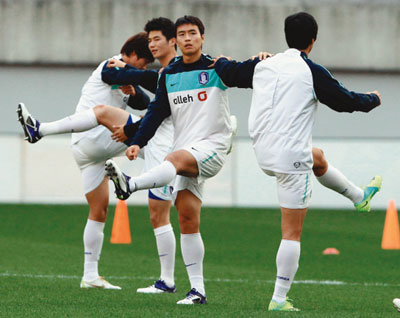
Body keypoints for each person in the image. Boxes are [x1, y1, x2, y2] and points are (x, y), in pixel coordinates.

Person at [213, 12, 382, 311]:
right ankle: (279, 299)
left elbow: (228, 71)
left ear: (286, 35)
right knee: (291, 233)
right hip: (290, 159)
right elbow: (345, 102)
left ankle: (359, 197)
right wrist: (373, 98)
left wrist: (222, 59)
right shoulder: (311, 70)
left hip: (262, 152)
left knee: (317, 157)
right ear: (313, 41)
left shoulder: (263, 63)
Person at [105, 15, 234, 305]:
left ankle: (131, 184)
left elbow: (248, 73)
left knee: (173, 158)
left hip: (212, 147)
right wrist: (137, 141)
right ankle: (197, 291)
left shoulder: (217, 68)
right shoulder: (169, 75)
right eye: (183, 34)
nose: (188, 38)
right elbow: (156, 112)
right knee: (187, 216)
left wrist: (263, 60)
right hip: (187, 150)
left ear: (202, 37)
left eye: (193, 33)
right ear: (177, 39)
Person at [17, 32, 154, 290]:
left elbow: (143, 101)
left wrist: (133, 89)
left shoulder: (125, 75)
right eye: (144, 63)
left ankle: (90, 276)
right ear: (134, 55)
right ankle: (180, 163)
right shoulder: (111, 65)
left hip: (87, 149)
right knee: (154, 138)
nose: (145, 68)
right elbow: (115, 76)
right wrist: (130, 76)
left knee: (99, 209)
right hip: (97, 136)